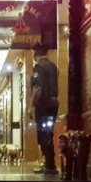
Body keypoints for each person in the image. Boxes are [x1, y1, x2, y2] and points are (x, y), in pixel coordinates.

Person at [28, 46, 59, 174]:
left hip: (43, 104)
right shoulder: (53, 66)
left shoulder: (38, 67)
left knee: (43, 134)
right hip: (53, 103)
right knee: (48, 132)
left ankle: (49, 165)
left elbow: (37, 88)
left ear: (35, 54)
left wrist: (31, 106)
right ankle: (49, 163)